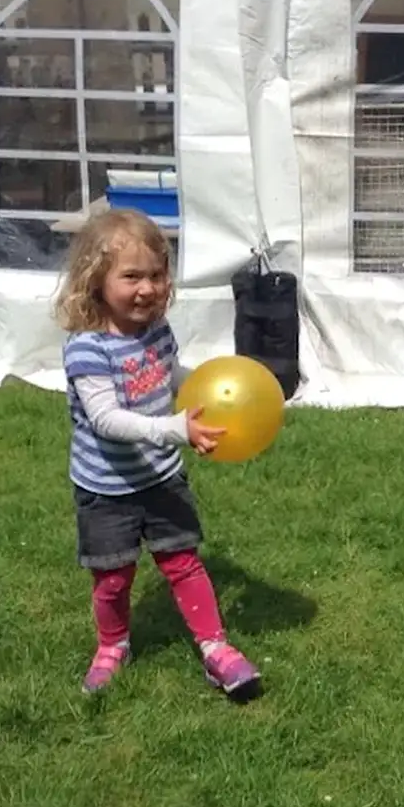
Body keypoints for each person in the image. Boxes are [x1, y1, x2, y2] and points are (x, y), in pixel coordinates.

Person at [55, 208, 262, 701]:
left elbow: (170, 377)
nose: (147, 288)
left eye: (156, 275)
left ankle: (216, 648)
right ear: (96, 280)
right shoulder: (88, 349)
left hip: (161, 477)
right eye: (131, 277)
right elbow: (107, 420)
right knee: (113, 577)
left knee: (184, 562)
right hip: (106, 489)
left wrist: (209, 395)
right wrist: (176, 428)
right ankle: (112, 645)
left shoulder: (156, 332)